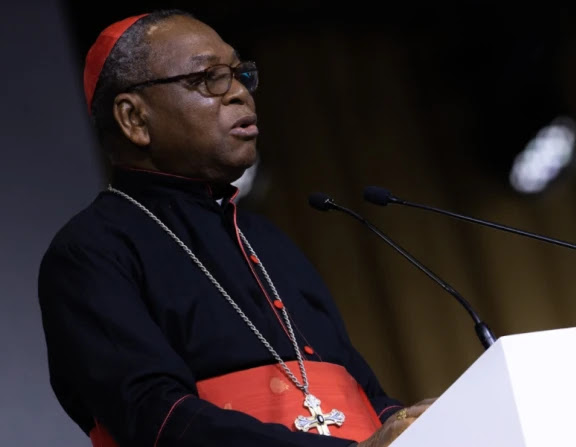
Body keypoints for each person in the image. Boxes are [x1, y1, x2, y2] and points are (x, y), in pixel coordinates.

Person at [38, 10, 434, 447]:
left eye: (240, 75)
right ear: (134, 118)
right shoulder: (91, 251)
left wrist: (422, 423)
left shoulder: (266, 240)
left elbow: (362, 391)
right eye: (210, 78)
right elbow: (157, 419)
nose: (241, 94)